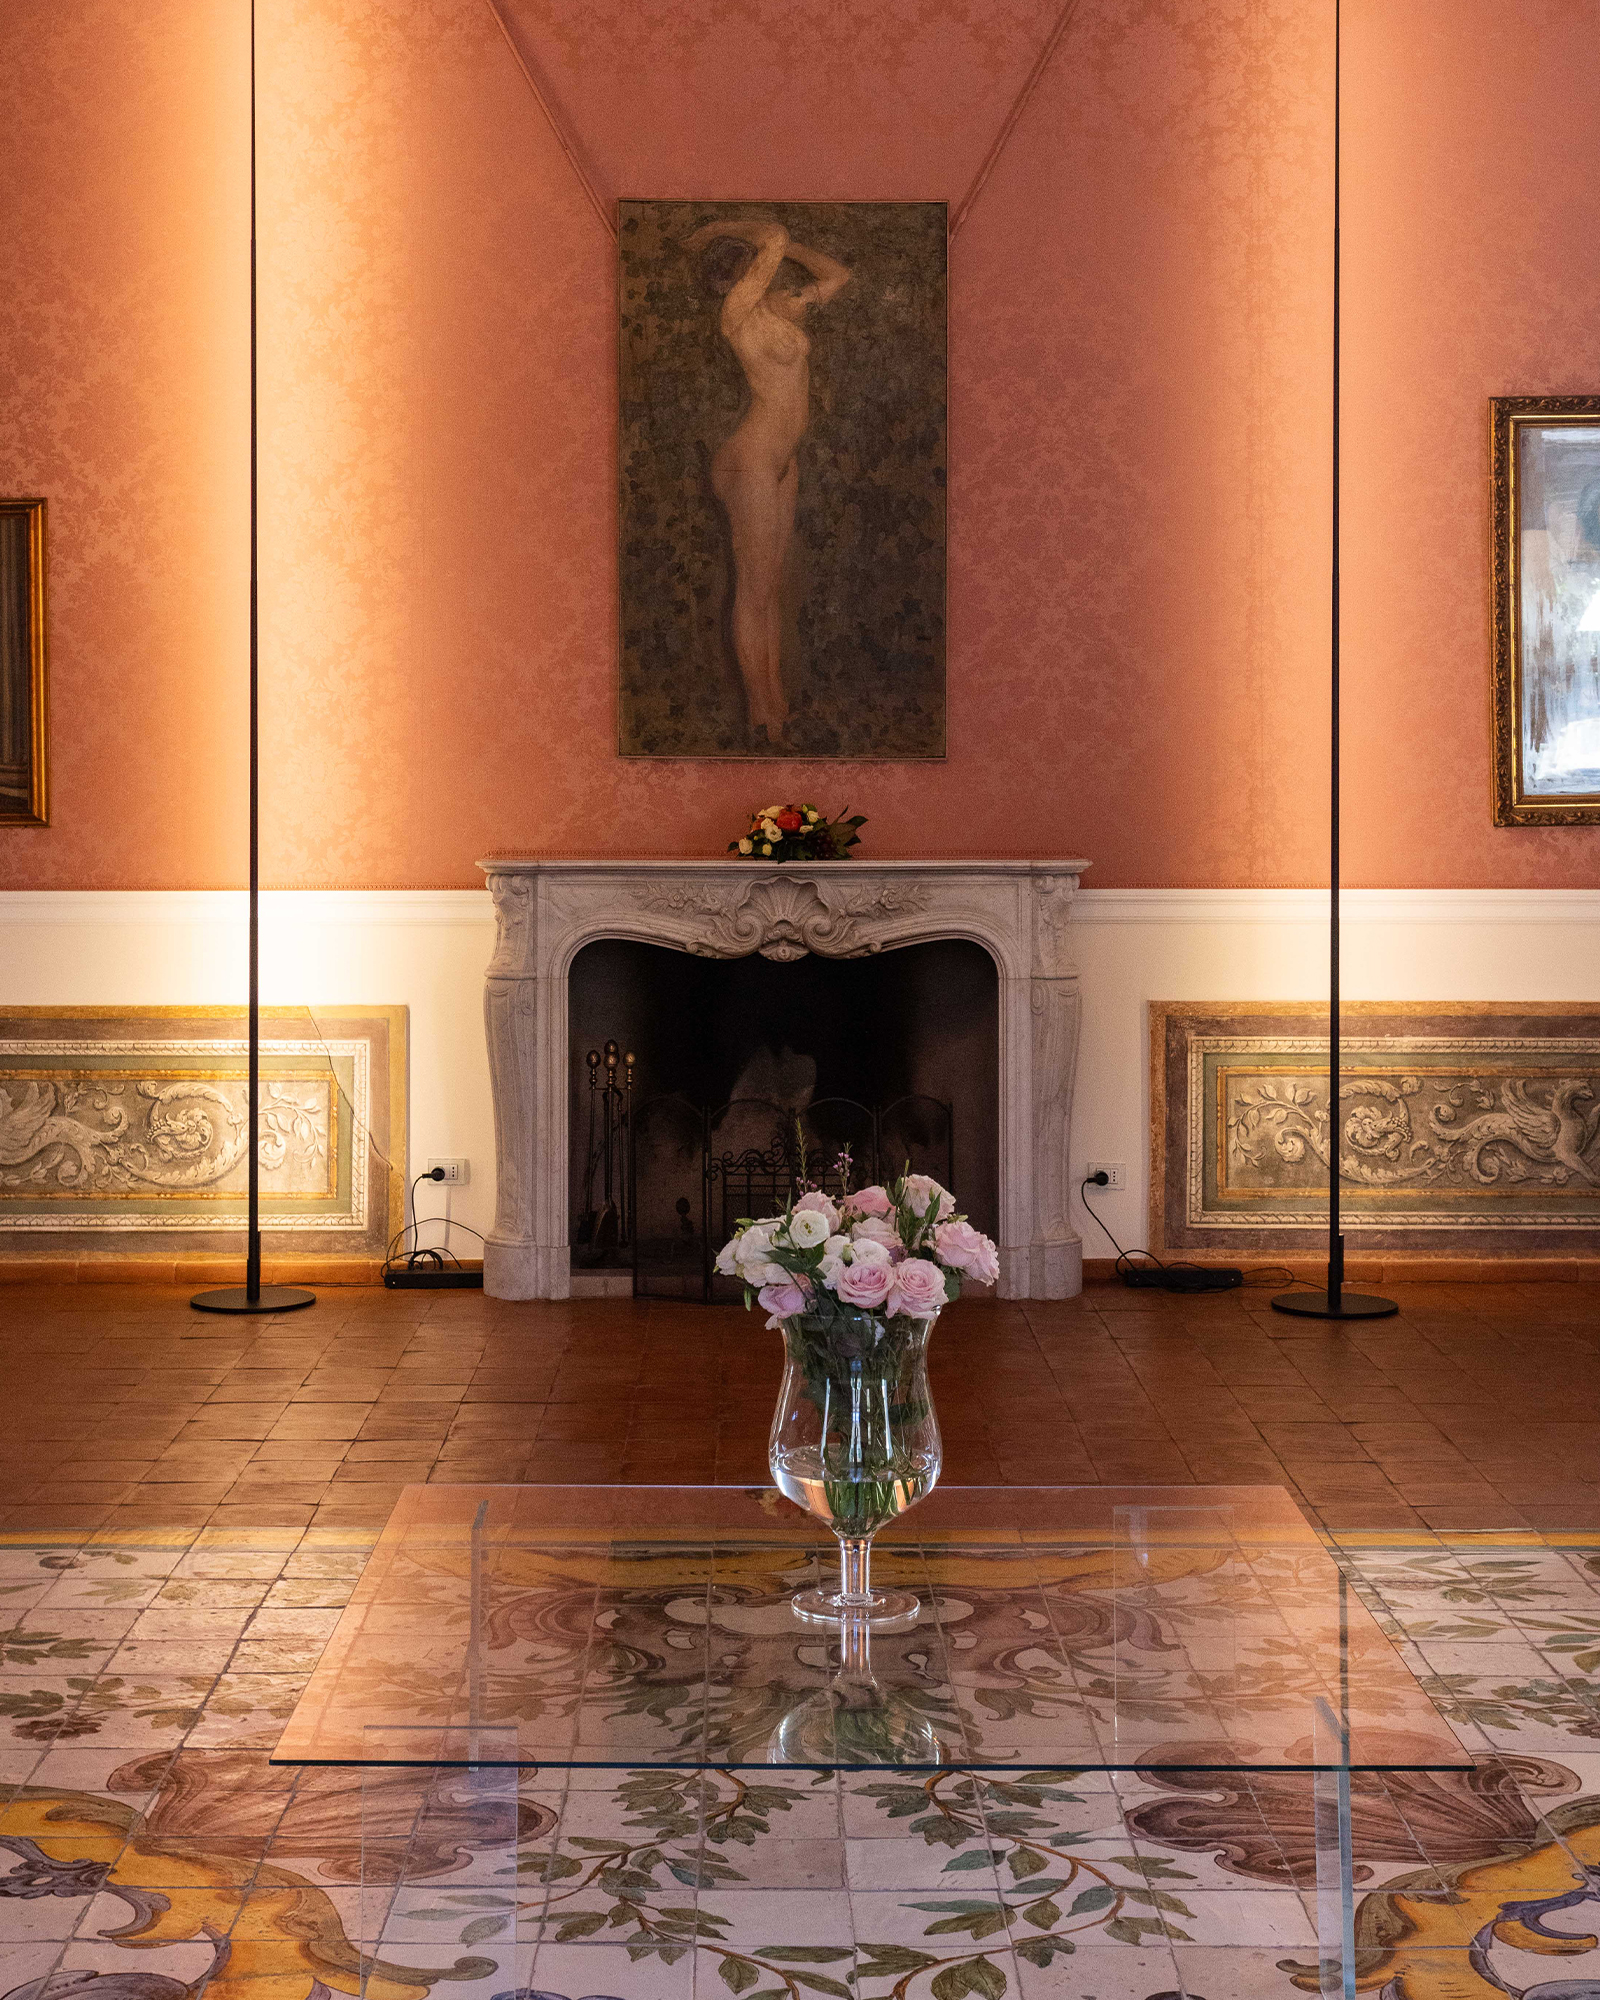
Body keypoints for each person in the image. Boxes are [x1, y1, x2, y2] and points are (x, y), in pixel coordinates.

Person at [682, 216, 852, 745]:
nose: (761, 274)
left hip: (782, 459)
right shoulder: (736, 316)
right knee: (753, 591)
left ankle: (776, 705)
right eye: (752, 268)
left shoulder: (775, 310)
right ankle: (762, 715)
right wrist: (719, 230)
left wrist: (789, 247)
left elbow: (839, 276)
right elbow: (773, 235)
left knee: (769, 591)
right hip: (751, 459)